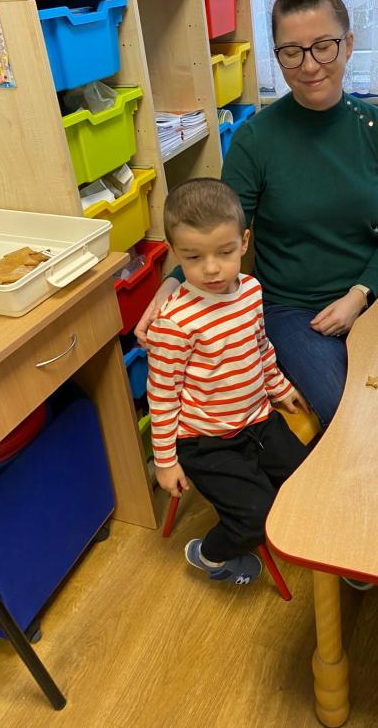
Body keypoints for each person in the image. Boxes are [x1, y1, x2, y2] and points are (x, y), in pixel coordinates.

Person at [137, 0, 378, 429]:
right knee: (349, 415)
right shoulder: (255, 139)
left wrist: (359, 294)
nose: (309, 66)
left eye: (323, 46)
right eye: (292, 52)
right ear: (278, 56)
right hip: (293, 312)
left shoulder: (377, 129)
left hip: (370, 296)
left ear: (348, 44)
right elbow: (217, 231)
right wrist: (171, 282)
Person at [147, 178, 309, 586]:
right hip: (206, 441)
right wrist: (165, 461)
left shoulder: (251, 290)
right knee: (256, 518)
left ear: (244, 241)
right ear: (174, 253)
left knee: (307, 481)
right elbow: (162, 397)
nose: (212, 268)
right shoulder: (174, 322)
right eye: (193, 257)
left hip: (257, 421)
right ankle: (208, 554)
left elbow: (261, 346)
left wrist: (280, 387)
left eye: (224, 252)